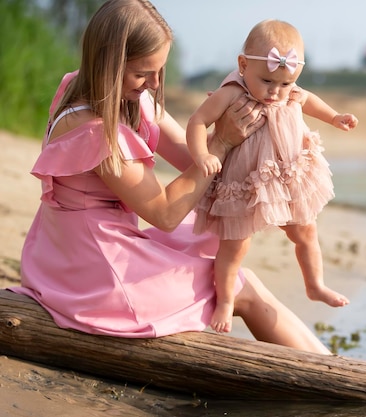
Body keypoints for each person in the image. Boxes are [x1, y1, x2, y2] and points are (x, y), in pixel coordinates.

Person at [10, 0, 330, 355]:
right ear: (108, 64)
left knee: (215, 227)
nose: (154, 82)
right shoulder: (92, 129)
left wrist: (250, 131)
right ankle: (332, 371)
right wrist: (222, 141)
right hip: (90, 274)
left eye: (160, 70)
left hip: (68, 252)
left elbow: (189, 157)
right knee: (243, 285)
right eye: (143, 73)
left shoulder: (118, 93)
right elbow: (164, 214)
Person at [186, 19, 359, 333]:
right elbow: (197, 121)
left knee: (305, 233)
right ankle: (225, 299)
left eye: (285, 84)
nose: (275, 91)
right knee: (235, 245)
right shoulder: (231, 92)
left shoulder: (289, 92)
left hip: (288, 177)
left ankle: (315, 285)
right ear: (242, 65)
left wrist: (335, 117)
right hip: (243, 181)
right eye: (267, 81)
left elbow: (310, 101)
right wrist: (203, 154)